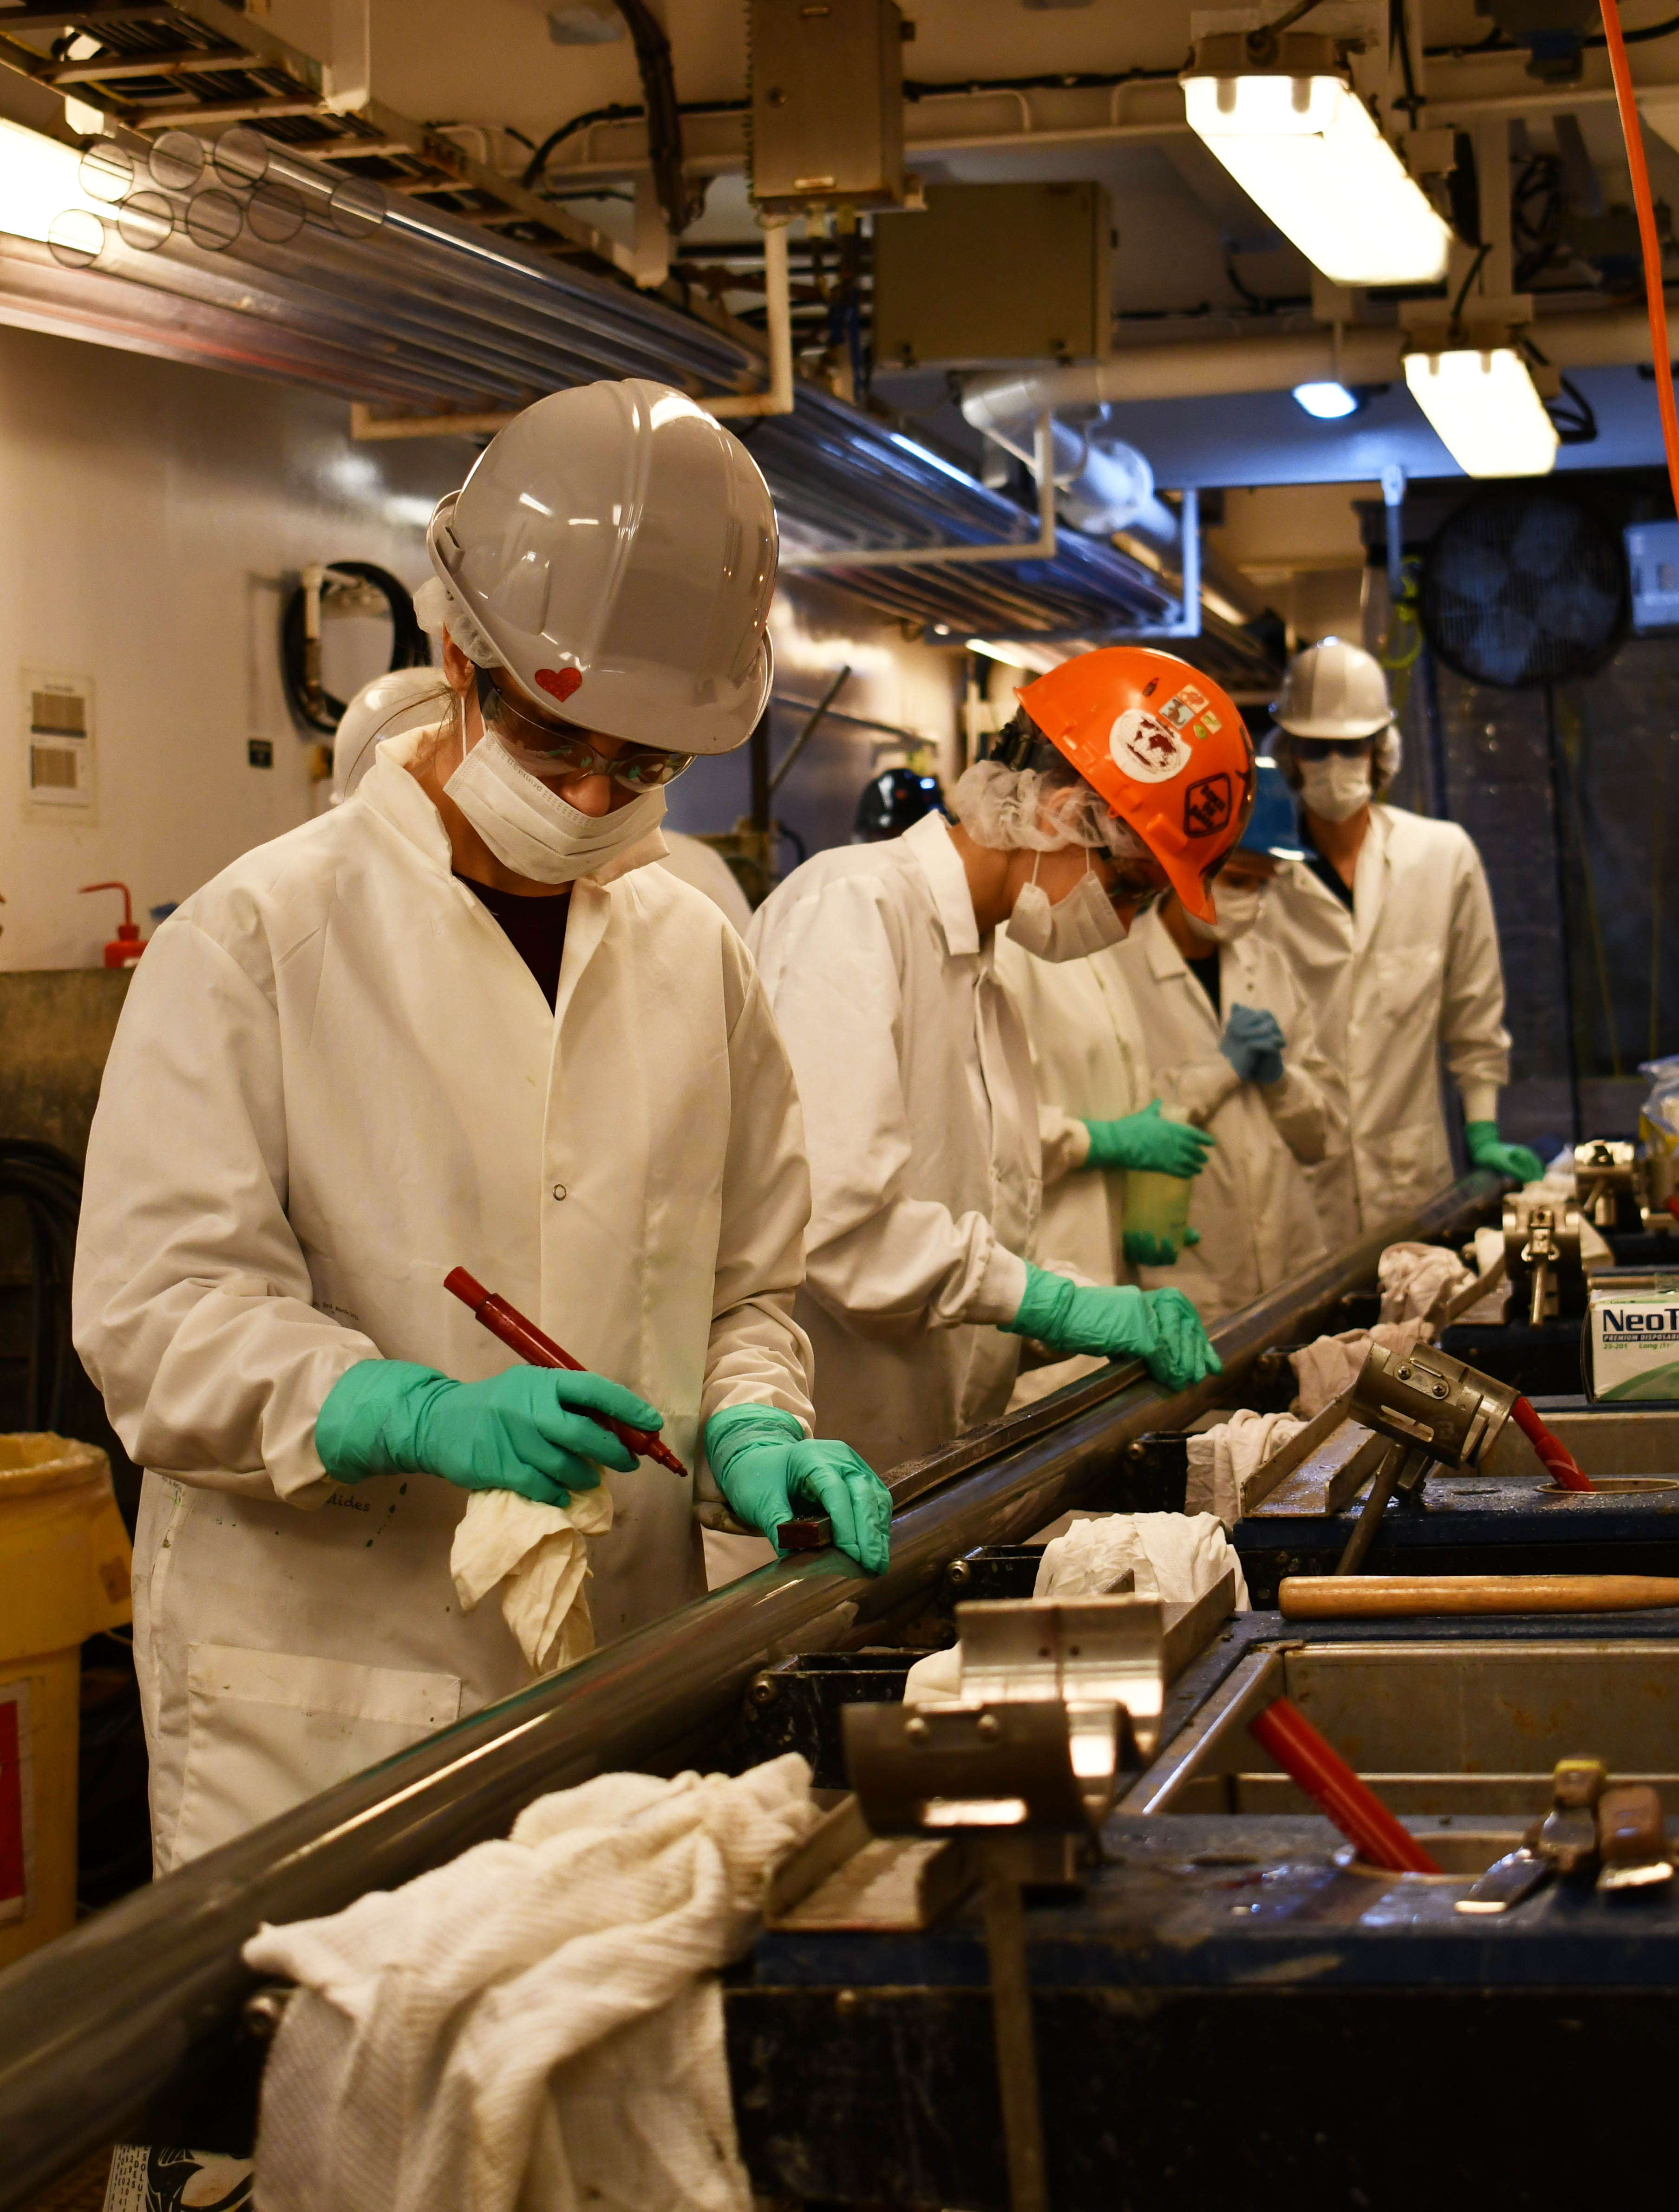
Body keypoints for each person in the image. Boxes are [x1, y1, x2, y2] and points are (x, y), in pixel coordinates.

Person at [73, 380, 889, 1871]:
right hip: (334, 1703)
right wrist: (408, 1409)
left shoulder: (691, 950)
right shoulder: (261, 937)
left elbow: (749, 1287)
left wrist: (756, 1421)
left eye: (641, 767)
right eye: (555, 735)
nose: (590, 792)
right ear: (458, 656)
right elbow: (155, 1319)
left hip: (619, 1674)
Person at [746, 646, 1252, 1475]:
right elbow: (838, 1220)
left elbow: (973, 1214)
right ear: (1058, 812)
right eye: (1128, 887)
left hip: (919, 1461)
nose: (1125, 924)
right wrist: (1050, 1304)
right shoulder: (854, 908)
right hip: (817, 1465)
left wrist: (1060, 1315)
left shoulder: (981, 974)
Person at [1256, 638, 1542, 1245]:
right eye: (1315, 747)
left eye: (1350, 745)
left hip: (1413, 1178)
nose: (1334, 763)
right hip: (1298, 1183)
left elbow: (1474, 1012)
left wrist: (1483, 1127)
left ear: (1379, 749)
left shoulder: (1440, 856)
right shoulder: (1256, 878)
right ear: (1289, 755)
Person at [1112, 757, 1340, 1322]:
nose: (1252, 902)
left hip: (1290, 1256)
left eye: (1264, 885)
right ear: (1189, 864)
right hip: (1186, 1274)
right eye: (1239, 880)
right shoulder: (1118, 971)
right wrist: (1219, 1073)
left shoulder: (1270, 967)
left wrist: (1281, 1080)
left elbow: (1322, 1140)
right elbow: (1129, 1131)